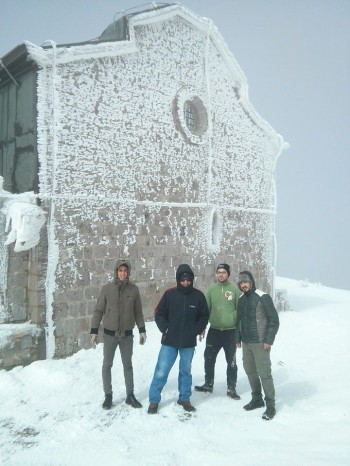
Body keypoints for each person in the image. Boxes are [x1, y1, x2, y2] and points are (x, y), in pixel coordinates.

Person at [148, 264, 209, 414]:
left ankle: (184, 398)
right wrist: (165, 328)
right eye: (183, 280)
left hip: (188, 342)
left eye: (189, 280)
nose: (186, 283)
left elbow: (204, 316)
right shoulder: (170, 294)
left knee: (185, 371)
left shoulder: (198, 296)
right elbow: (159, 313)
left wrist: (195, 330)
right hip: (169, 340)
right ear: (178, 279)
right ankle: (154, 400)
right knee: (161, 371)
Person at [90, 259, 146, 410]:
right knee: (107, 365)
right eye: (120, 271)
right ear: (116, 272)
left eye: (125, 271)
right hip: (110, 335)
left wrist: (142, 330)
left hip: (127, 335)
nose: (123, 273)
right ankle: (108, 395)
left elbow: (138, 312)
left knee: (128, 365)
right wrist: (94, 330)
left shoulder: (133, 290)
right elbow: (98, 311)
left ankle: (130, 395)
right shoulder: (107, 289)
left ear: (128, 273)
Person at [235, 271, 279, 420]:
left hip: (260, 342)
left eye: (245, 282)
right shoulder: (241, 299)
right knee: (250, 371)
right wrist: (237, 338)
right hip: (246, 343)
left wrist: (268, 340)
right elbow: (238, 321)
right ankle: (257, 399)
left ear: (251, 282)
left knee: (264, 373)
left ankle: (270, 405)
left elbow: (273, 320)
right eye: (241, 283)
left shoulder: (262, 296)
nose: (243, 285)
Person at [194, 263, 241, 399]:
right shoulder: (211, 290)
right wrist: (202, 328)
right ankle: (208, 384)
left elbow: (240, 311)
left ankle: (231, 388)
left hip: (230, 332)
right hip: (214, 331)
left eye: (223, 272)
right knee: (208, 358)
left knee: (231, 361)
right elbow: (205, 310)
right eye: (219, 272)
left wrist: (238, 331)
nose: (221, 274)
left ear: (228, 274)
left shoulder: (234, 290)